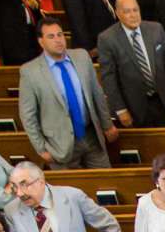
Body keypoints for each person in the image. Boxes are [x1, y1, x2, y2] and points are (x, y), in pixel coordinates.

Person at [18, 17, 115, 171]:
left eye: (60, 34)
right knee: (69, 193)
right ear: (41, 42)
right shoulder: (30, 72)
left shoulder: (82, 57)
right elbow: (28, 115)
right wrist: (42, 149)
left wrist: (107, 125)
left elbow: (97, 94)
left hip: (91, 137)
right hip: (59, 146)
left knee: (106, 186)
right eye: (51, 36)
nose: (58, 40)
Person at [97, 0, 165, 129]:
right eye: (127, 11)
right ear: (118, 13)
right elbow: (109, 79)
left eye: (135, 10)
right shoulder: (107, 39)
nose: (133, 15)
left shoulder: (156, 29)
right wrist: (120, 109)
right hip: (134, 107)